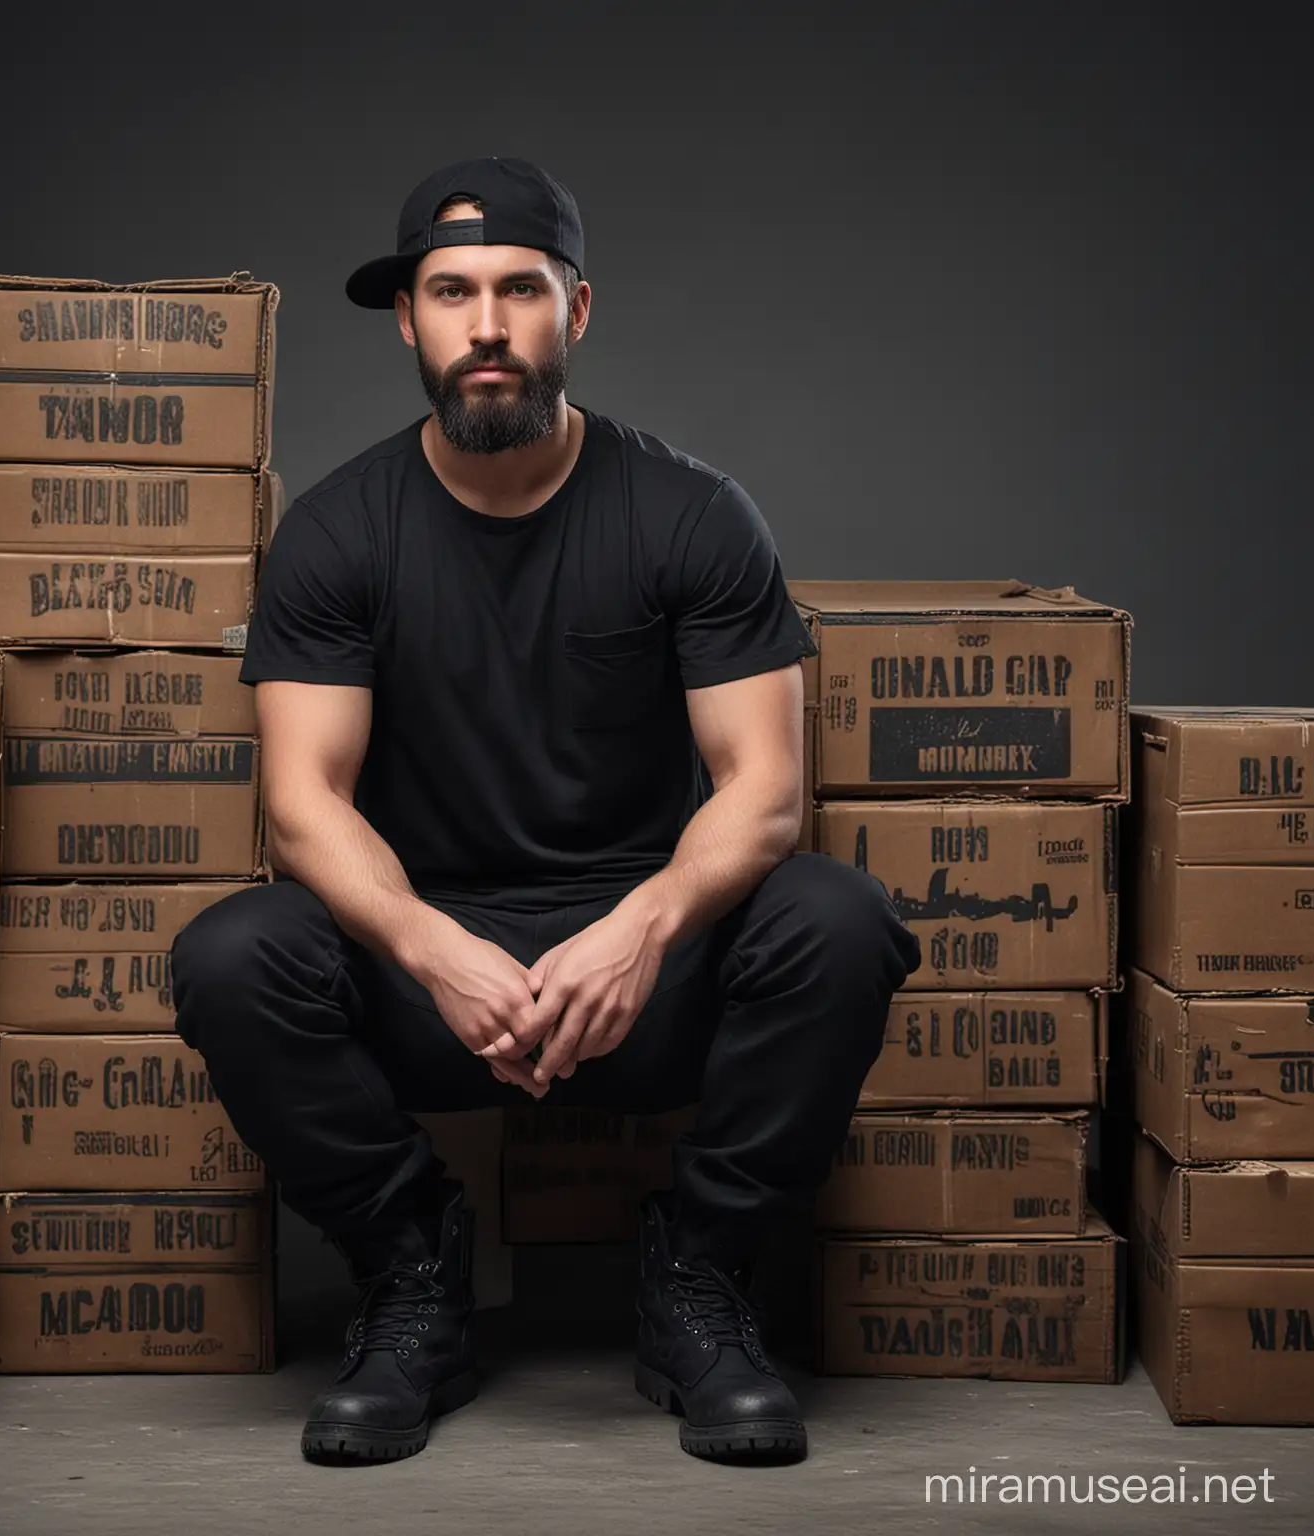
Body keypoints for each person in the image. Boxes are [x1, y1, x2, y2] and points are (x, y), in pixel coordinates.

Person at [170, 155, 921, 1467]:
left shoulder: (689, 515)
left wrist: (642, 931)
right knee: (232, 956)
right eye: (451, 292)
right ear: (407, 320)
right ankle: (413, 1273)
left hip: (643, 971)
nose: (488, 325)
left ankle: (698, 1276)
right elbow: (301, 804)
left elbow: (763, 792)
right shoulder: (338, 535)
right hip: (433, 978)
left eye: (522, 289)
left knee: (840, 919)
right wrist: (426, 944)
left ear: (578, 310)